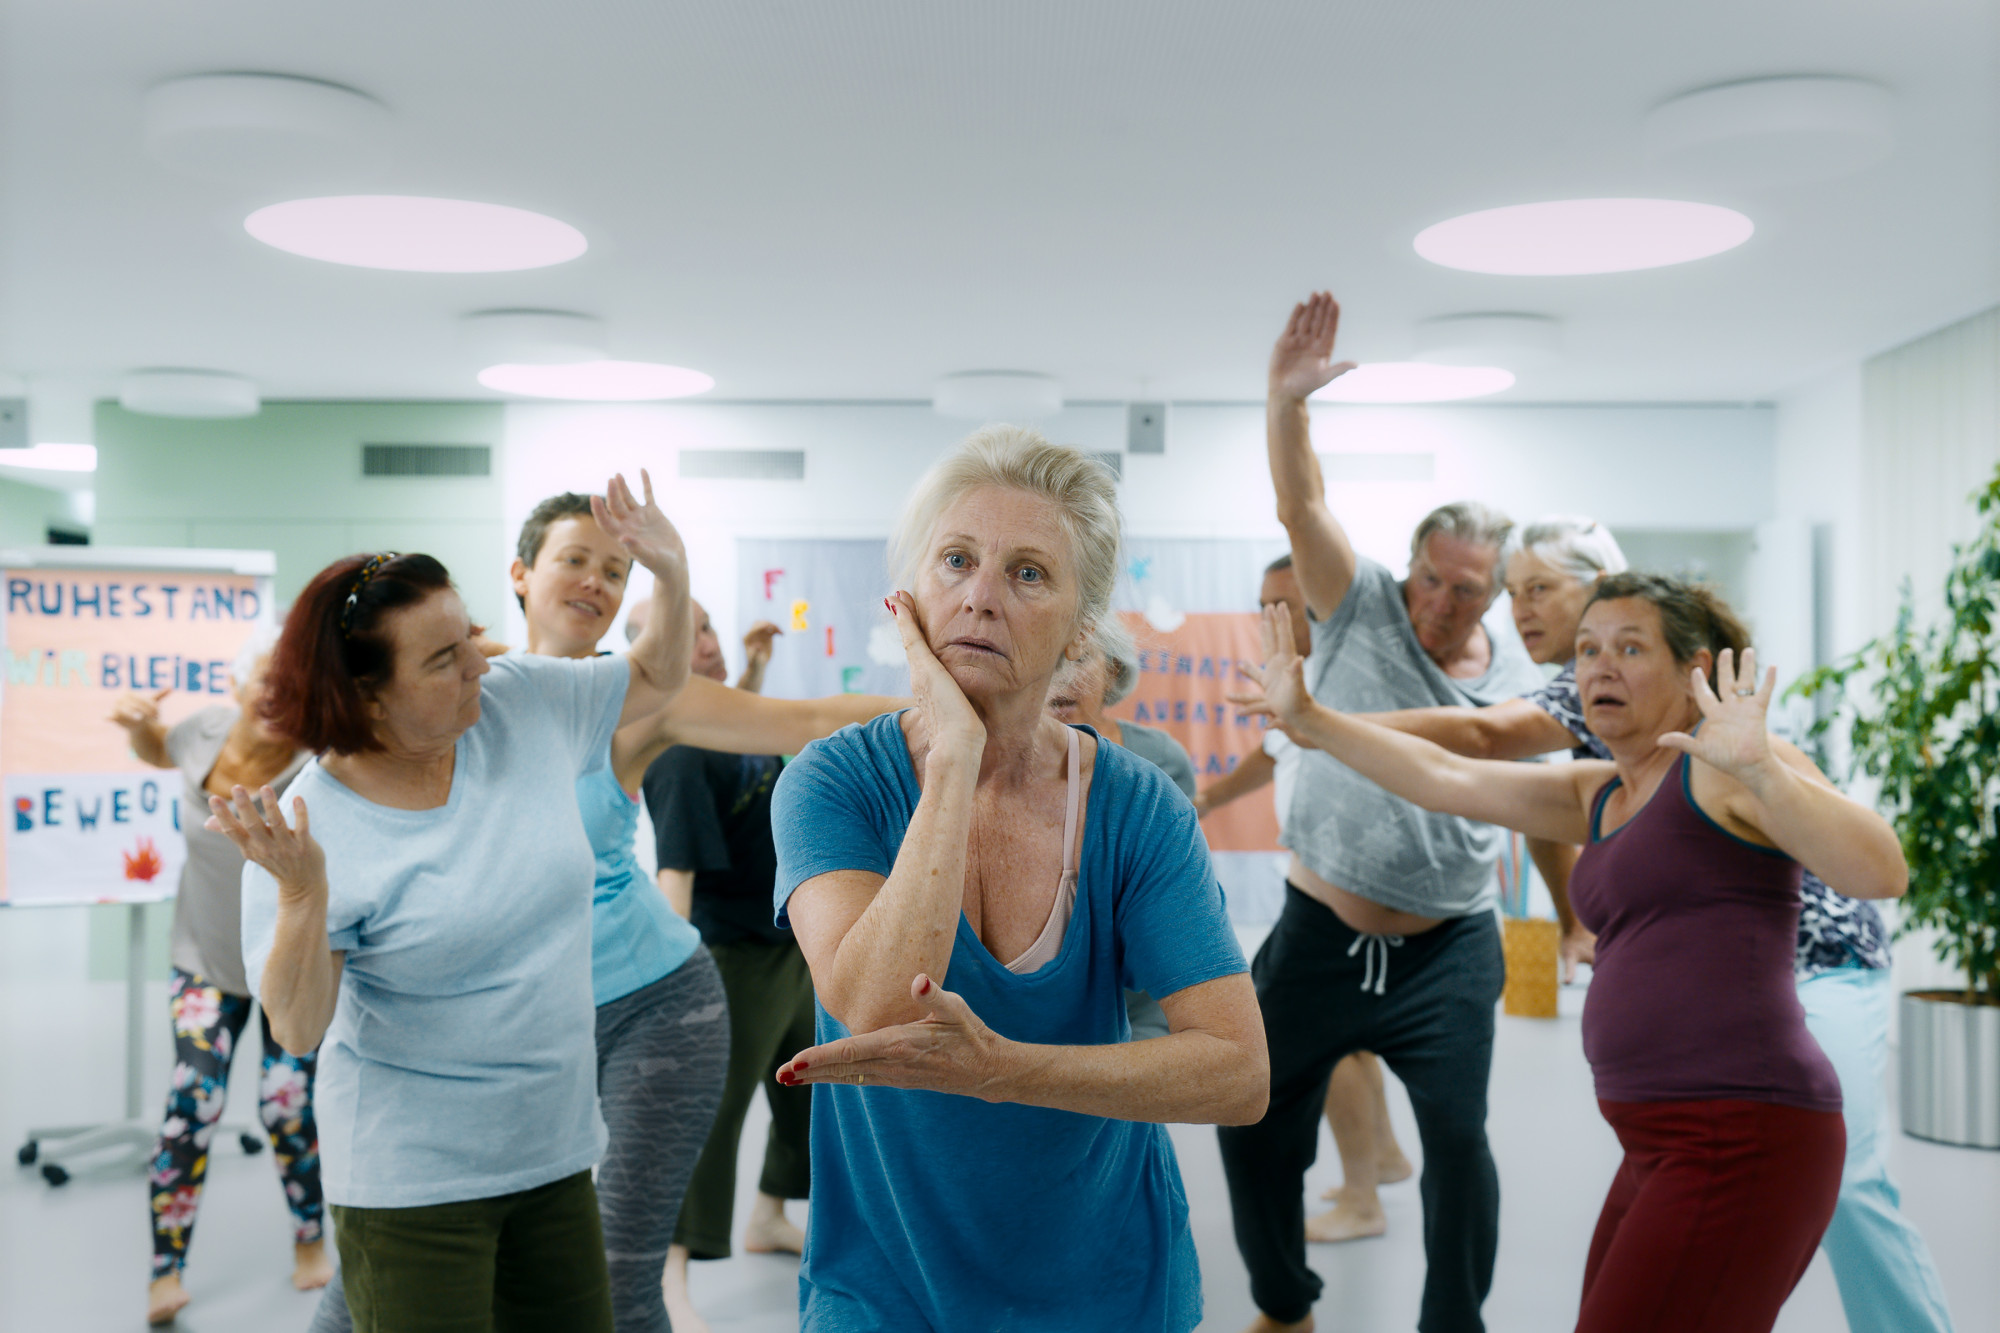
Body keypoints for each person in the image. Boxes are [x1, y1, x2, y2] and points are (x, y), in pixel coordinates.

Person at [1231, 573, 1909, 1333]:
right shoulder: (1602, 792)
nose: (1599, 667)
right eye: (1586, 649)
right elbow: (1446, 776)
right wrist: (1311, 720)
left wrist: (1764, 771)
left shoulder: (1728, 771)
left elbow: (1880, 870)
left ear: (1696, 673)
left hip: (1743, 1134)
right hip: (1658, 1138)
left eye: (1629, 647)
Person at [306, 509, 903, 1333]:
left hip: (643, 1003)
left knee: (619, 1280)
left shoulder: (589, 701)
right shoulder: (439, 714)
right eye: (575, 559)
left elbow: (803, 721)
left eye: (616, 570)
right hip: (515, 1035)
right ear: (519, 574)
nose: (595, 579)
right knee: (362, 1282)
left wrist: (947, 711)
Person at [769, 425, 1268, 1331]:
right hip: (883, 1286)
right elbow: (877, 1004)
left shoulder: (1139, 808)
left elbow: (1238, 1072)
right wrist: (955, 756)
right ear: (910, 595)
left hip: (1110, 1284)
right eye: (955, 560)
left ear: (1083, 632)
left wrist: (1001, 1070)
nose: (981, 598)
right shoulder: (831, 781)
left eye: (1028, 572)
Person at [220, 471, 695, 1333]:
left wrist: (670, 568)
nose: (482, 660)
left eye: (469, 634)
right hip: (413, 1180)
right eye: (444, 659)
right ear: (367, 695)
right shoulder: (312, 823)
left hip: (552, 1153)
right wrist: (302, 895)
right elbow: (295, 1026)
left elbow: (658, 680)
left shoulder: (520, 702)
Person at [1218, 293, 1544, 1333]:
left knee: (1457, 1142)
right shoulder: (1355, 602)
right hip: (1318, 933)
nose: (1446, 603)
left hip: (1446, 945)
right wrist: (1285, 407)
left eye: (1469, 592)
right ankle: (1284, 1301)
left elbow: (1519, 781)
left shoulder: (1515, 683)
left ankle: (1453, 1321)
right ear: (1408, 566)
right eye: (1435, 580)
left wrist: (1573, 911)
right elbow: (1300, 506)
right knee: (1253, 1116)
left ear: (1493, 598)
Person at [643, 600, 903, 1333]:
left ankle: (768, 1214)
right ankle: (667, 1275)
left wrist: (752, 667)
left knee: (810, 1094)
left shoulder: (730, 725)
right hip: (728, 958)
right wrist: (672, 987)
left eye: (708, 627)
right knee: (708, 1113)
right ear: (651, 653)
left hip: (791, 946)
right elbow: (676, 871)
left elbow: (748, 738)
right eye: (689, 632)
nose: (710, 641)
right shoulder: (680, 751)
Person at [1192, 554, 1412, 1245]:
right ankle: (1381, 1153)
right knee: (1352, 1036)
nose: (1274, 619)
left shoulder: (1357, 681)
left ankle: (1361, 1196)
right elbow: (1269, 757)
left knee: (1330, 1041)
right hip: (1316, 887)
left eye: (1289, 604)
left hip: (1352, 891)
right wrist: (1203, 798)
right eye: (1265, 604)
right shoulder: (1296, 682)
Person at [110, 631, 327, 1327]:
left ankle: (310, 1239)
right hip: (202, 959)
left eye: (288, 685)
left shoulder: (318, 762)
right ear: (237, 686)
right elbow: (155, 750)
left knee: (286, 1106)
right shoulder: (203, 729)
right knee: (189, 1108)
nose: (273, 696)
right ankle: (164, 1271)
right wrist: (143, 726)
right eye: (263, 681)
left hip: (282, 969)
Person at [1047, 612, 1199, 1040]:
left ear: (1112, 671)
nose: (1061, 676)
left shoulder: (1159, 761)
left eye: (1080, 660)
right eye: (1049, 658)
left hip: (1135, 998)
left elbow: (1169, 895)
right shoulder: (989, 758)